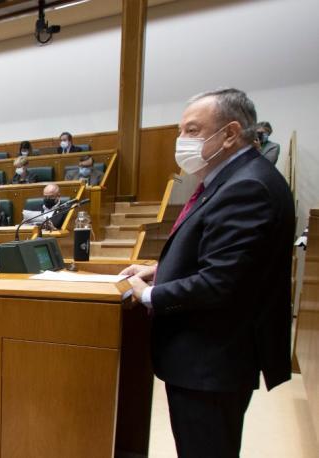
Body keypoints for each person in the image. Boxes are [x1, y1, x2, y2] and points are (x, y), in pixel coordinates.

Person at [121, 88, 294, 458]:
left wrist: (147, 293)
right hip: (209, 360)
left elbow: (220, 283)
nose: (181, 141)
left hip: (212, 361)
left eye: (193, 130)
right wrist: (161, 269)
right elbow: (221, 256)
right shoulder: (236, 176)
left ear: (230, 133)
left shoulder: (247, 185)